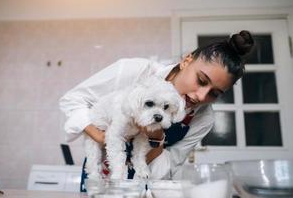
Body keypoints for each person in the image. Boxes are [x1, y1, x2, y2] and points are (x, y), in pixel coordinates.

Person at [59, 30, 254, 191]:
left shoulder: (203, 119)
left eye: (214, 93)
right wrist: (101, 137)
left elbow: (167, 170)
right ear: (186, 60)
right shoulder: (134, 71)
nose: (200, 97)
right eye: (201, 80)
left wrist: (155, 139)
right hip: (100, 179)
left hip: (146, 189)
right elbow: (72, 99)